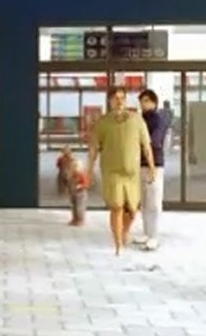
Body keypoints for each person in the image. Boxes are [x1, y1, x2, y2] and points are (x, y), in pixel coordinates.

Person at [88, 86, 156, 255]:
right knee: (117, 206)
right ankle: (118, 243)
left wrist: (152, 167)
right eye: (115, 98)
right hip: (112, 172)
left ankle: (124, 231)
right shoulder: (102, 122)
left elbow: (146, 146)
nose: (119, 101)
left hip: (132, 173)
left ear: (125, 100)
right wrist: (89, 170)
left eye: (122, 98)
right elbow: (94, 149)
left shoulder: (137, 120)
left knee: (132, 210)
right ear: (110, 101)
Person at [135, 89, 167, 251]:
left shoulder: (158, 120)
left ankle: (154, 236)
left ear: (154, 102)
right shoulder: (140, 119)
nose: (143, 104)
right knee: (144, 201)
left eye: (146, 101)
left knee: (154, 202)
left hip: (154, 164)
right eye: (141, 101)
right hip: (140, 164)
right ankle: (146, 233)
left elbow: (155, 141)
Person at [56, 147, 89, 226]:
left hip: (80, 193)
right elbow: (58, 165)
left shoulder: (81, 174)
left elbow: (86, 183)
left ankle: (80, 219)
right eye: (73, 168)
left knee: (79, 207)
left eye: (76, 168)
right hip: (73, 193)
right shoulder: (71, 174)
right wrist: (69, 189)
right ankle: (74, 219)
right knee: (74, 207)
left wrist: (80, 186)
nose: (75, 170)